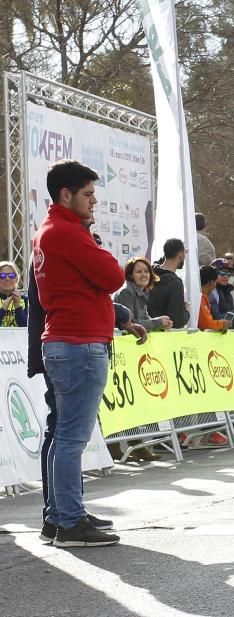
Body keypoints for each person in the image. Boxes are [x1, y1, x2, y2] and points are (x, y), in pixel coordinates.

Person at [33, 159, 128, 547]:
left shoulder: (53, 231)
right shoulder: (66, 233)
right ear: (65, 195)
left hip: (68, 342)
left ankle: (60, 516)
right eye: (88, 195)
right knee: (71, 439)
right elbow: (113, 275)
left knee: (64, 436)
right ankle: (69, 522)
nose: (94, 202)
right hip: (78, 344)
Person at [115, 257, 173, 333]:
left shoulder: (142, 291)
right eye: (139, 272)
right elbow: (130, 324)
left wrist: (162, 324)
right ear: (130, 275)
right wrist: (157, 323)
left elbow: (144, 319)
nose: (143, 275)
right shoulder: (126, 292)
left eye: (146, 271)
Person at [148, 238, 190, 328]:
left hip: (147, 332)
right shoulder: (175, 283)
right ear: (180, 256)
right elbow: (177, 321)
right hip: (165, 337)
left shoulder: (149, 274)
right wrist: (186, 311)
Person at [197, 265, 233, 332]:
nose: (226, 276)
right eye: (215, 282)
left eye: (228, 274)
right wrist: (222, 324)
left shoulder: (201, 296)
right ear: (211, 283)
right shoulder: (200, 298)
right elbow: (206, 324)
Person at [0, 260, 28, 327]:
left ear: (16, 279)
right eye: (3, 276)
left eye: (11, 275)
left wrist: (18, 306)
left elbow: (26, 326)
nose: (7, 278)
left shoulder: (25, 300)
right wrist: (4, 308)